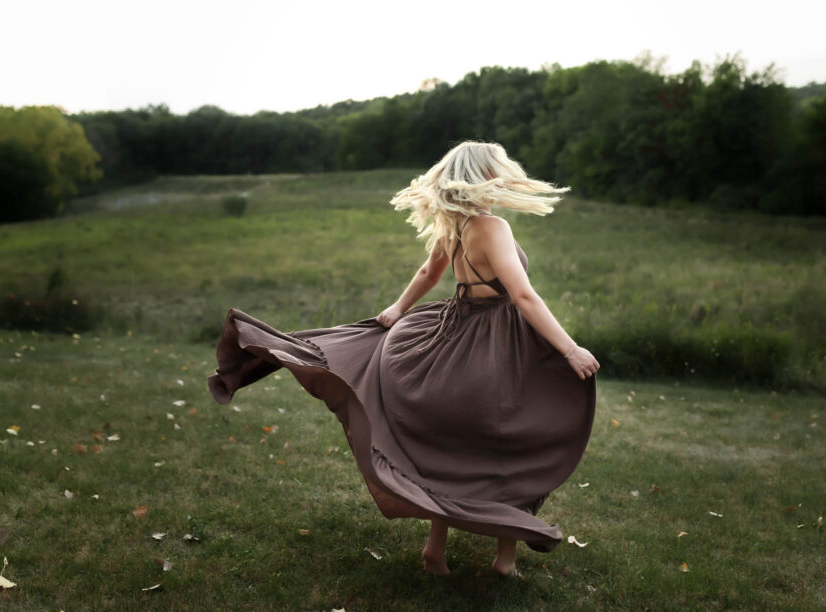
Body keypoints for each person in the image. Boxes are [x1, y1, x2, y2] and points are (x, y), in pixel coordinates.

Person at [208, 140, 598, 577]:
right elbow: (523, 295)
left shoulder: (453, 226)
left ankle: (438, 549)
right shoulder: (493, 228)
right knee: (510, 441)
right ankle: (504, 558)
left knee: (451, 447)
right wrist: (569, 347)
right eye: (499, 171)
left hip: (453, 337)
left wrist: (398, 308)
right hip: (494, 344)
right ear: (485, 175)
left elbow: (428, 273)